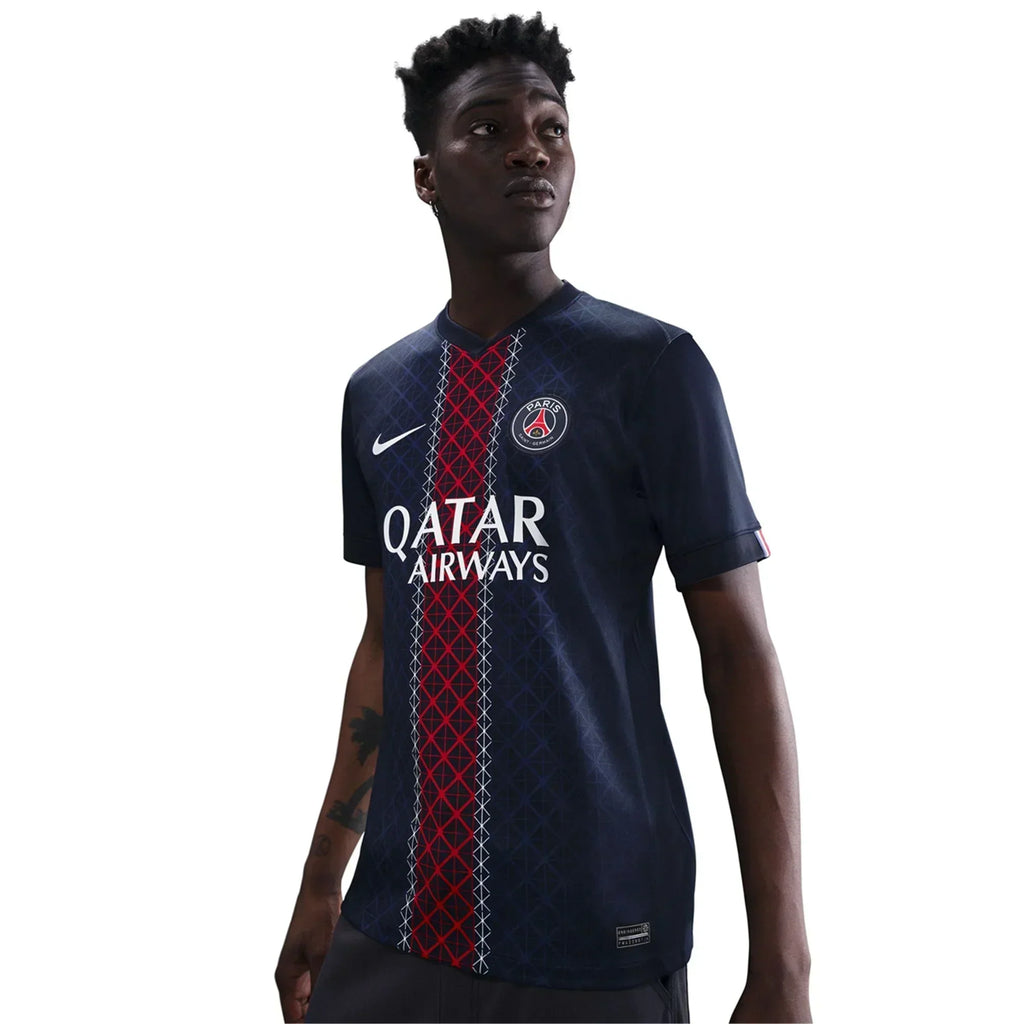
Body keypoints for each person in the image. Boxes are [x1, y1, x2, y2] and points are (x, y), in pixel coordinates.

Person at [275, 12, 811, 1024]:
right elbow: (385, 649)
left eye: (551, 127)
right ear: (425, 176)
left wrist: (783, 964)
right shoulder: (377, 395)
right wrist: (317, 886)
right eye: (489, 128)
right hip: (394, 926)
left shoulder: (651, 369)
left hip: (599, 932)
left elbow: (739, 653)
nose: (531, 148)